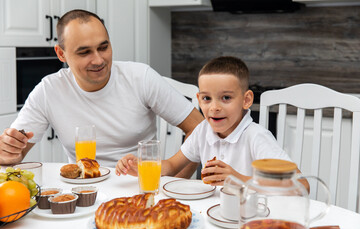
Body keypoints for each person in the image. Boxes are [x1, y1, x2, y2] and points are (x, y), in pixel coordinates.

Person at [0, 10, 203, 168]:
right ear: (61, 54)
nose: (98, 60)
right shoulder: (48, 90)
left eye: (103, 47)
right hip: (82, 192)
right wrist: (8, 151)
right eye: (84, 52)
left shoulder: (141, 77)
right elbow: (12, 156)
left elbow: (200, 129)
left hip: (139, 188)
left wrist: (176, 178)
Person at [116, 56, 310, 191]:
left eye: (225, 97)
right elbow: (171, 166)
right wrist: (139, 167)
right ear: (199, 99)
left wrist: (238, 179)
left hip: (251, 221)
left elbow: (301, 185)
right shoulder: (202, 131)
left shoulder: (256, 136)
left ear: (246, 100)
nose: (214, 107)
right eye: (207, 99)